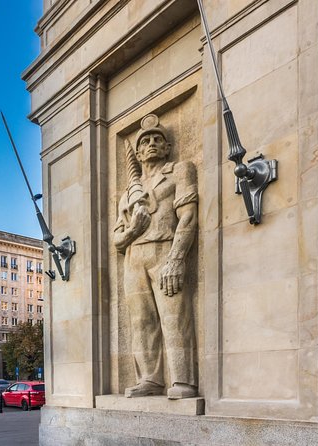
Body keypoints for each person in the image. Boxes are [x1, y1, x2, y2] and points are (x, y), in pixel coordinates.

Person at [113, 114, 198, 400]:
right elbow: (117, 238)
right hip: (134, 257)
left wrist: (176, 258)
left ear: (167, 147)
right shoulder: (127, 193)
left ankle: (183, 380)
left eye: (157, 140)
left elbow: (188, 217)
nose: (151, 144)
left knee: (174, 317)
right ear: (137, 153)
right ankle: (149, 379)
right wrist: (133, 229)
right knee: (141, 321)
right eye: (145, 141)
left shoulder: (179, 171)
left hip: (164, 248)